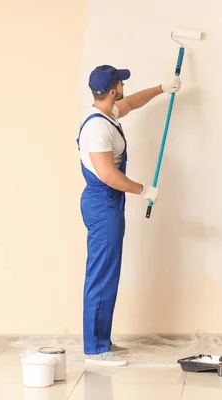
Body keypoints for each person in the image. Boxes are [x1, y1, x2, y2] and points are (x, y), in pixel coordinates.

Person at [77, 65, 181, 366]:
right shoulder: (97, 129)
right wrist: (143, 190)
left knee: (108, 273)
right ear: (112, 91)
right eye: (120, 82)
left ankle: (102, 340)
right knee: (101, 275)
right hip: (103, 203)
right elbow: (109, 175)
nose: (124, 85)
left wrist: (162, 88)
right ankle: (95, 350)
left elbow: (132, 102)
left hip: (109, 203)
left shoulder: (107, 113)